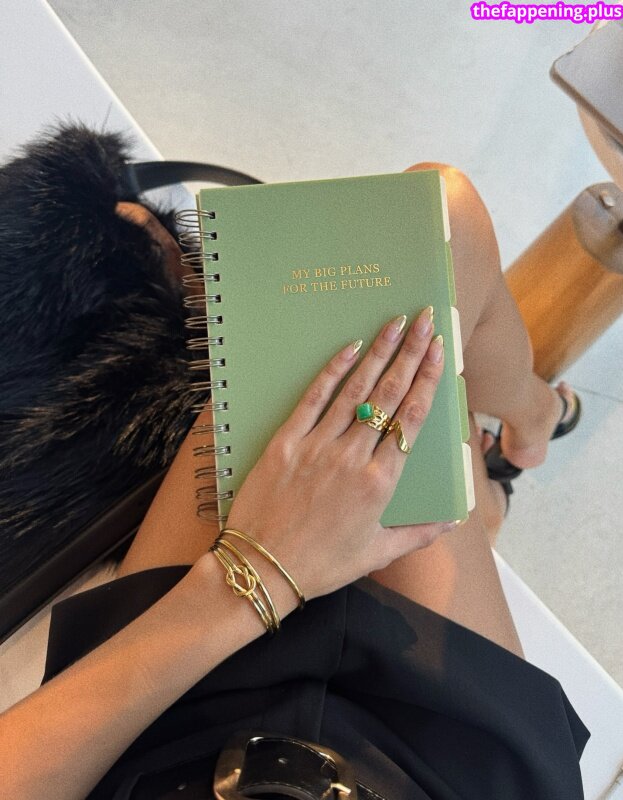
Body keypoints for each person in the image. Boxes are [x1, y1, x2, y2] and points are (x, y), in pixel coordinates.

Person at [0, 128, 586, 799]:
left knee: (430, 223)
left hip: (152, 722)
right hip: (443, 769)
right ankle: (528, 428)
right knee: (442, 233)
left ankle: (519, 432)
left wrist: (255, 571)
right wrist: (272, 567)